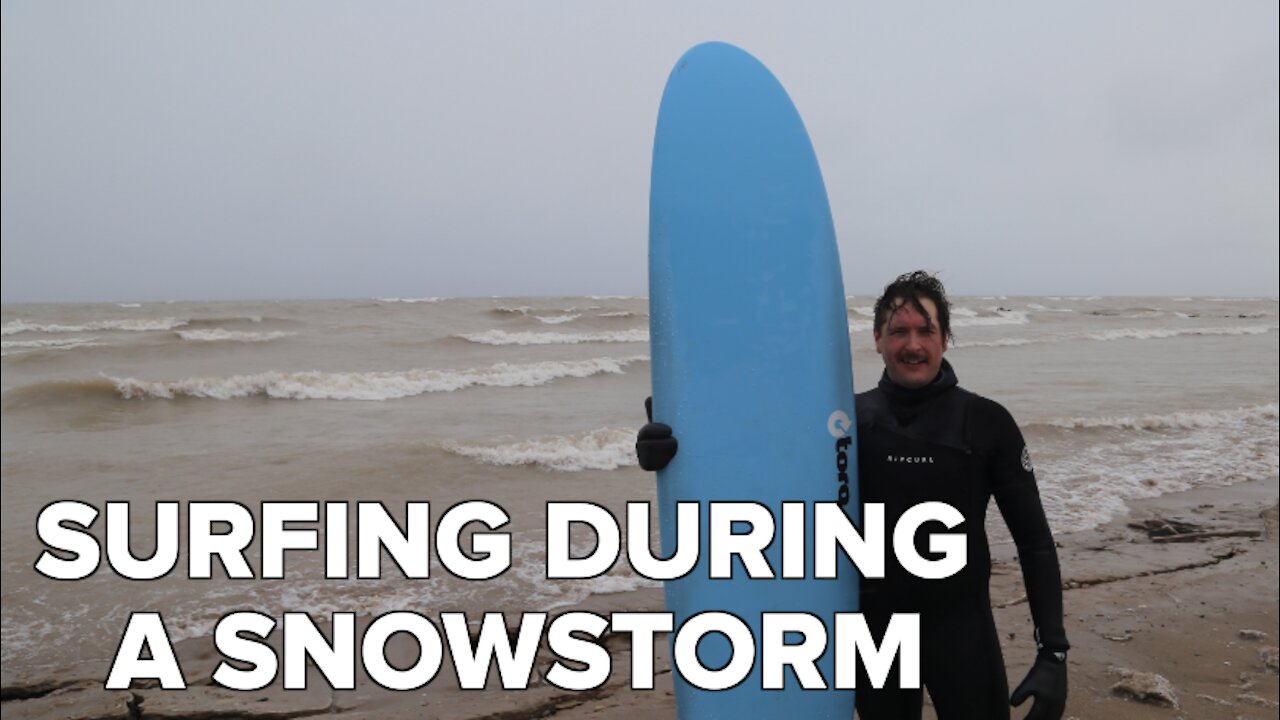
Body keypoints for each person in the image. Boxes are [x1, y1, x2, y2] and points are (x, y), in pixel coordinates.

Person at [636, 270, 1068, 720]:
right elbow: (754, 458)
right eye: (899, 331)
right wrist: (676, 443)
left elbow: (1034, 542)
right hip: (872, 637)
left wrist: (1053, 652)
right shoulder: (845, 422)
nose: (913, 345)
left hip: (961, 632)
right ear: (878, 338)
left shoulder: (986, 421)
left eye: (926, 331)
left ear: (945, 339)